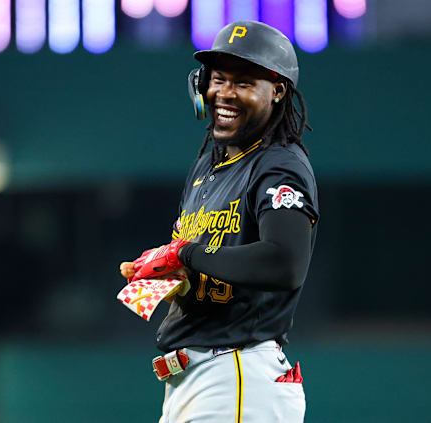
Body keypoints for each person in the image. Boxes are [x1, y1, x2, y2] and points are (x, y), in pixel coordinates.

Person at [120, 20, 319, 423]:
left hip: (237, 373)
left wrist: (187, 254)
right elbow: (211, 261)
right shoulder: (208, 168)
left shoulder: (278, 165)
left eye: (244, 82)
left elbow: (285, 262)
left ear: (277, 91)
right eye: (218, 79)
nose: (224, 93)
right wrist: (163, 269)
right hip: (196, 380)